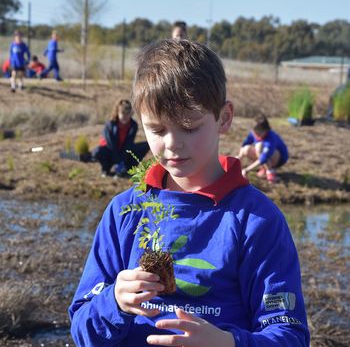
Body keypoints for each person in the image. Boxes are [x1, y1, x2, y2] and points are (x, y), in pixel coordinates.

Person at [69, 39, 309, 346]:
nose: (172, 144)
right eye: (157, 129)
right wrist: (113, 301)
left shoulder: (256, 220)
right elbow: (82, 330)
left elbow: (289, 335)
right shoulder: (124, 212)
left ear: (224, 118)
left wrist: (228, 342)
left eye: (190, 127)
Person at [92, 99, 149, 178]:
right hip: (110, 153)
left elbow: (128, 144)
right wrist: (118, 161)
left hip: (124, 152)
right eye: (123, 113)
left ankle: (128, 169)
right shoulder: (110, 125)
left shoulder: (133, 125)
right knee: (97, 151)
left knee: (145, 145)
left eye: (127, 113)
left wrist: (122, 160)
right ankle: (106, 170)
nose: (125, 116)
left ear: (131, 113)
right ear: (117, 112)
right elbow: (111, 145)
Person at [237, 114, 289, 183]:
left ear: (266, 130)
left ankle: (270, 172)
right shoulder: (253, 133)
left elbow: (263, 158)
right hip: (264, 156)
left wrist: (246, 170)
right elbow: (244, 144)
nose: (257, 135)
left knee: (259, 146)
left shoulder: (271, 138)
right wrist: (239, 157)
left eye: (259, 133)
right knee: (246, 149)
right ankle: (264, 168)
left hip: (279, 158)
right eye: (255, 133)